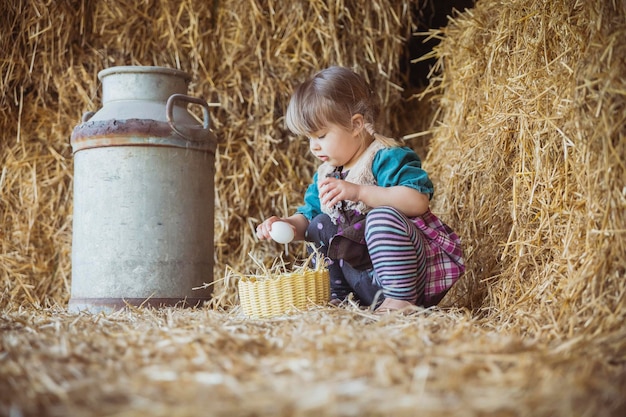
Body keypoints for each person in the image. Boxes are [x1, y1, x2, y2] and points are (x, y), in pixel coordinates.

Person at [256, 66, 465, 312]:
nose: (313, 147)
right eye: (309, 138)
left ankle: (401, 301)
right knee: (320, 224)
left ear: (356, 125)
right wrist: (287, 224)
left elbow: (417, 201)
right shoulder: (327, 175)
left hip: (405, 275)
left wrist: (359, 192)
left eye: (321, 135)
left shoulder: (385, 157)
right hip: (363, 282)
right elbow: (308, 220)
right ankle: (338, 298)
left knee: (381, 217)